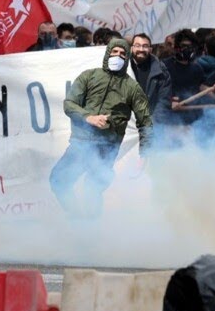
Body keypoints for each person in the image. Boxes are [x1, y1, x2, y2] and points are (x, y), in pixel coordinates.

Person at [49, 38, 153, 217]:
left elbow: (145, 122)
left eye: (122, 54)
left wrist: (145, 153)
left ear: (127, 58)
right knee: (58, 180)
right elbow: (69, 104)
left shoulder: (132, 87)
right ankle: (77, 220)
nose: (118, 56)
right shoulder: (88, 76)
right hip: (81, 144)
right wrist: (88, 117)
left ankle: (92, 234)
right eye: (115, 52)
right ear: (107, 53)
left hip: (107, 147)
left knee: (92, 189)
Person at [128, 33, 172, 124]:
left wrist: (152, 122)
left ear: (150, 49)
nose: (141, 49)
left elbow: (164, 101)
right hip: (126, 125)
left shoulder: (161, 71)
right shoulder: (121, 67)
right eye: (137, 46)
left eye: (145, 46)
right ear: (131, 48)